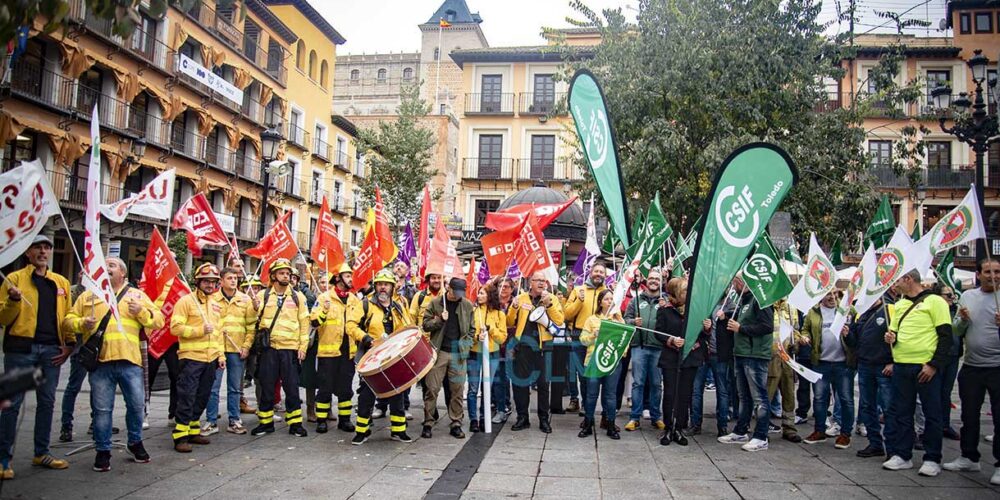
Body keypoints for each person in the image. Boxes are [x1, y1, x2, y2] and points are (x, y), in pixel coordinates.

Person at [64, 257, 163, 472]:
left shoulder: (137, 295)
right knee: (101, 410)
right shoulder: (88, 296)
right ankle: (102, 450)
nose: (107, 268)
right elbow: (67, 321)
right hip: (101, 363)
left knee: (136, 406)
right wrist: (82, 323)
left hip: (130, 362)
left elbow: (159, 321)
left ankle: (135, 442)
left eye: (112, 265)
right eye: (105, 264)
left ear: (123, 273)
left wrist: (141, 312)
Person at [0, 235, 74, 478]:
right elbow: (3, 318)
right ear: (27, 253)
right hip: (21, 350)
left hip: (51, 351)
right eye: (38, 248)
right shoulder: (14, 279)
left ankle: (41, 452)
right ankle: (3, 460)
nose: (43, 252)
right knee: (12, 404)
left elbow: (67, 317)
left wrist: (69, 344)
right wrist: (13, 300)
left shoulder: (61, 282)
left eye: (47, 248)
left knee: (47, 402)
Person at [882, 269, 953, 476]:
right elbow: (895, 332)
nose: (894, 285)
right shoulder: (900, 304)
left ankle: (932, 458)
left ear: (908, 279)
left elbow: (945, 337)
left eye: (897, 280)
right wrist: (891, 338)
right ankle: (902, 454)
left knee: (932, 413)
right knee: (902, 412)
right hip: (901, 365)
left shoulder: (936, 302)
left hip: (925, 367)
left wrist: (934, 365)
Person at [943, 258, 1000, 484]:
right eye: (988, 271)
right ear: (978, 274)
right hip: (972, 366)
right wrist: (963, 321)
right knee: (969, 415)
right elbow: (957, 330)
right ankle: (968, 457)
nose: (993, 276)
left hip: (997, 367)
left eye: (997, 271)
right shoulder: (968, 296)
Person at [348, 268, 414, 445]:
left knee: (397, 393)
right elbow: (351, 325)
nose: (383, 287)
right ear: (375, 286)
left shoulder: (399, 306)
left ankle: (398, 431)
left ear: (392, 287)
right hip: (371, 356)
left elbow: (408, 326)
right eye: (380, 284)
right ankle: (362, 431)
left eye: (386, 284)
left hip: (393, 357)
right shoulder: (365, 304)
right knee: (366, 394)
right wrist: (366, 339)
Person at [250, 258, 310, 438]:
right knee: (267, 386)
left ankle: (295, 424)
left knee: (292, 388)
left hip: (290, 349)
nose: (286, 276)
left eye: (288, 273)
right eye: (282, 273)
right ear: (273, 276)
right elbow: (253, 319)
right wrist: (253, 308)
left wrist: (303, 347)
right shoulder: (263, 295)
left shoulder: (298, 297)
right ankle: (265, 423)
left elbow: (304, 323)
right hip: (269, 349)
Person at [170, 263, 226, 452]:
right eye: (206, 281)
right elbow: (175, 328)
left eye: (213, 282)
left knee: (202, 396)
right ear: (198, 282)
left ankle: (193, 430)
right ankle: (180, 436)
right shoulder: (186, 301)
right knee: (187, 396)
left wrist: (221, 355)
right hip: (191, 358)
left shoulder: (215, 304)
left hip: (211, 359)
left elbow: (218, 333)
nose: (210, 285)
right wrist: (199, 330)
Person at [718, 274, 774, 452]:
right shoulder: (744, 301)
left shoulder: (760, 300)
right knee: (744, 396)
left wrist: (740, 328)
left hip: (755, 354)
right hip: (742, 353)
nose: (733, 286)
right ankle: (741, 430)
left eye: (735, 282)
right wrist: (727, 316)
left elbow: (767, 326)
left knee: (759, 398)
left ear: (741, 283)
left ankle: (761, 436)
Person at [507, 271, 564, 433]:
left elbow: (559, 321)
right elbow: (509, 322)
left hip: (543, 347)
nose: (541, 283)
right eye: (537, 280)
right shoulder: (521, 298)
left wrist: (549, 305)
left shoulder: (551, 298)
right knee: (520, 384)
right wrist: (514, 308)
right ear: (530, 282)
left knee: (543, 385)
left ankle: (543, 419)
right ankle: (522, 417)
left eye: (543, 281)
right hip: (523, 347)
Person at [309, 264, 361, 434]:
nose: (351, 279)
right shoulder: (324, 298)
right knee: (325, 388)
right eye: (347, 276)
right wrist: (324, 311)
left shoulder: (354, 300)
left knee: (346, 388)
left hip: (347, 352)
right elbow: (314, 322)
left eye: (351, 276)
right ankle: (321, 419)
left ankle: (344, 420)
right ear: (338, 278)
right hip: (328, 352)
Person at [421, 277, 475, 439]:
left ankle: (456, 422)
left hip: (458, 353)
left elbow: (472, 329)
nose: (457, 295)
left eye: (460, 293)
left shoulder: (466, 305)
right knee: (432, 388)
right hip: (439, 352)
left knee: (457, 390)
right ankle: (428, 421)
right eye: (455, 292)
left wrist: (466, 345)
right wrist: (439, 320)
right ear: (448, 288)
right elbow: (425, 325)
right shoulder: (436, 303)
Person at [205, 267, 256, 436]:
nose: (233, 281)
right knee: (213, 387)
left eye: (235, 278)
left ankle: (234, 420)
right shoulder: (212, 299)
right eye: (229, 278)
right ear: (221, 281)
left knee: (235, 388)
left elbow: (251, 326)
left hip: (237, 349)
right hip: (216, 349)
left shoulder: (245, 299)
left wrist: (246, 346)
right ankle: (211, 421)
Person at [802, 292, 856, 449]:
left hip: (843, 364)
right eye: (828, 294)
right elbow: (805, 329)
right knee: (819, 398)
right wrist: (805, 337)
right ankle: (819, 431)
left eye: (835, 293)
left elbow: (857, 331)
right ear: (821, 296)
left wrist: (849, 334)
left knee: (846, 399)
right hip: (821, 363)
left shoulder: (848, 310)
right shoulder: (813, 312)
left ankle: (845, 434)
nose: (832, 297)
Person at [658, 277, 707, 445]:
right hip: (671, 358)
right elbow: (658, 332)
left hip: (690, 358)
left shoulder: (695, 310)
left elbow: (703, 335)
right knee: (670, 393)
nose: (688, 292)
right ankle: (668, 428)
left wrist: (707, 327)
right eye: (685, 290)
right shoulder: (665, 310)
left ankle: (679, 428)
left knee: (684, 394)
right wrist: (671, 340)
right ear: (676, 292)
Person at [845, 296, 893, 458]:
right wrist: (847, 334)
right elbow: (854, 341)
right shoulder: (861, 314)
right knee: (867, 406)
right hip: (865, 365)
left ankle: (893, 447)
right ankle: (875, 443)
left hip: (884, 367)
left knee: (888, 408)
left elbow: (899, 338)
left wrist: (892, 362)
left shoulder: (890, 309)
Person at [623, 270, 666, 431]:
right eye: (651, 278)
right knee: (638, 383)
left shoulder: (665, 301)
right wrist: (633, 322)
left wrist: (666, 308)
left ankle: (656, 417)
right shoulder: (635, 300)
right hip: (639, 347)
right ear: (647, 281)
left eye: (657, 279)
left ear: (661, 282)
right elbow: (625, 320)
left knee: (656, 384)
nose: (654, 281)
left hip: (658, 347)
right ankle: (634, 417)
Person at [579, 289, 625, 439]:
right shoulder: (591, 319)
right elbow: (583, 340)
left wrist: (621, 354)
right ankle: (588, 424)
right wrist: (593, 335)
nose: (609, 302)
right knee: (591, 395)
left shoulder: (618, 320)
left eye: (611, 299)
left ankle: (610, 425)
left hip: (612, 362)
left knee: (610, 395)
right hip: (593, 361)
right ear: (600, 302)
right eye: (606, 299)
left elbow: (626, 341)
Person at [561, 264, 607, 414]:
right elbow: (566, 314)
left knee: (593, 373)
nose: (598, 274)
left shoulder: (607, 292)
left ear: (605, 275)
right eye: (596, 271)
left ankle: (588, 405)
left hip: (599, 335)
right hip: (579, 334)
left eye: (601, 272)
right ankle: (579, 402)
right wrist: (578, 301)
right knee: (580, 372)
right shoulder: (578, 290)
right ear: (590, 273)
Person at [467, 283, 507, 432]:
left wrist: (492, 329)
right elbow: (467, 334)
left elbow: (502, 338)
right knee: (473, 388)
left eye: (482, 293)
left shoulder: (499, 314)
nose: (479, 296)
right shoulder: (473, 312)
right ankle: (473, 419)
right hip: (474, 354)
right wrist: (477, 337)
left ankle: (484, 417)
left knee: (487, 388)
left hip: (492, 354)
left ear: (490, 295)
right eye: (479, 293)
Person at [762, 299, 803, 444]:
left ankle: (789, 428)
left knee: (789, 395)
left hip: (787, 359)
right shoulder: (766, 306)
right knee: (766, 396)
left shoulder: (791, 308)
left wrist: (796, 343)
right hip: (771, 358)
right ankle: (762, 429)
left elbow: (796, 330)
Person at [492, 277, 516, 424]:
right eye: (501, 285)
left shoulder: (516, 303)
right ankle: (499, 404)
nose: (503, 289)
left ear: (512, 289)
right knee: (497, 376)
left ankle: (505, 404)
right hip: (495, 343)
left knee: (506, 375)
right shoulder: (493, 303)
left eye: (507, 286)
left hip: (511, 344)